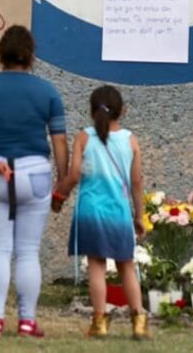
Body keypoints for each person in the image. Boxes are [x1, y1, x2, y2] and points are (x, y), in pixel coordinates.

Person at [0, 25, 68, 338]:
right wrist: (61, 184)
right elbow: (59, 141)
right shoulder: (48, 91)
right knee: (29, 251)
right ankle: (27, 321)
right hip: (35, 174)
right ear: (31, 56)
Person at [52, 85, 149, 340]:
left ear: (91, 111)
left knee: (97, 266)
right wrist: (139, 216)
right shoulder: (131, 139)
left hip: (90, 210)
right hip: (119, 212)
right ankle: (138, 321)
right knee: (126, 266)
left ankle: (99, 323)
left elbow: (74, 175)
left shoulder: (84, 137)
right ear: (123, 111)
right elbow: (137, 181)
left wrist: (59, 195)